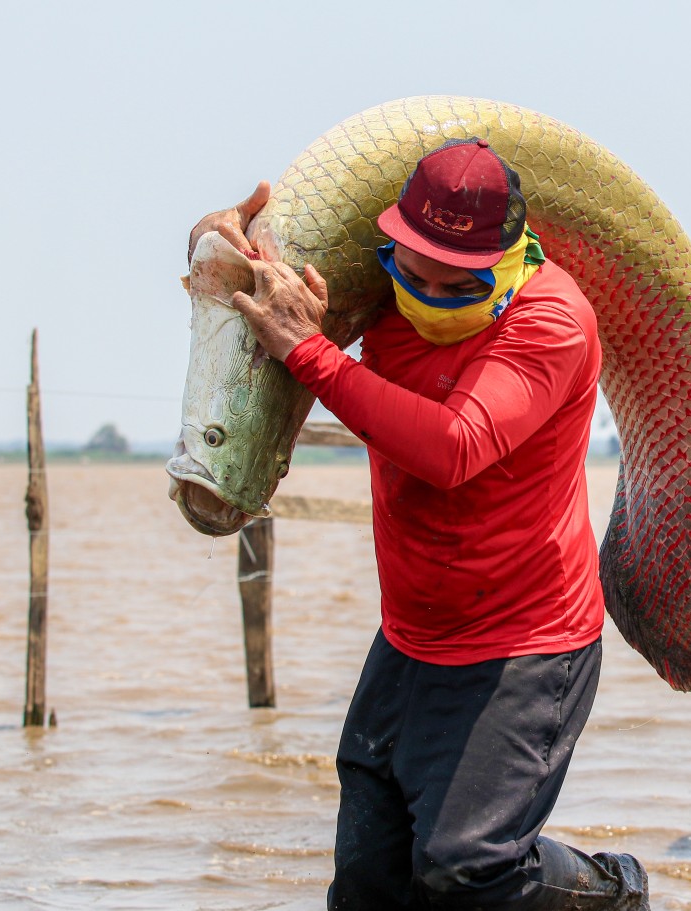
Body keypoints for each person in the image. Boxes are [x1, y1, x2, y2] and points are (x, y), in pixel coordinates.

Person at [190, 138, 649, 908]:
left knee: (465, 870)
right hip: (411, 636)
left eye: (457, 283)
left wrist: (312, 351)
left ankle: (615, 889)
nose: (429, 296)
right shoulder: (381, 290)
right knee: (370, 884)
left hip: (526, 643)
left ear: (509, 264)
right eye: (414, 274)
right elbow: (240, 285)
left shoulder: (553, 321)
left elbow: (454, 446)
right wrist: (214, 244)